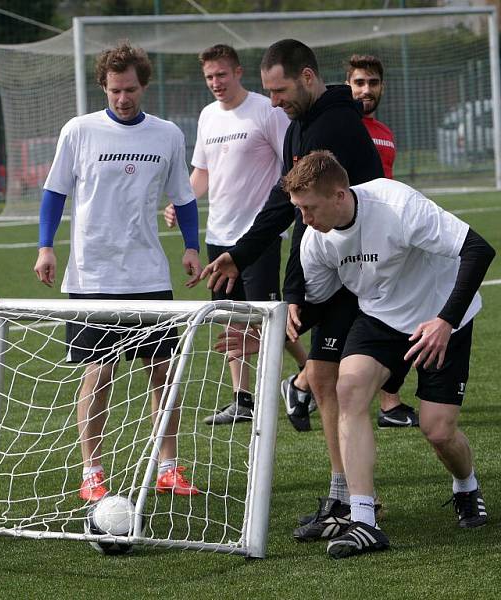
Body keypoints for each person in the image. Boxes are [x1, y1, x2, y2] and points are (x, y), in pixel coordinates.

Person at [199, 39, 385, 541]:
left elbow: (309, 218)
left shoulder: (337, 126)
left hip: (358, 278)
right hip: (326, 277)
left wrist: (293, 288)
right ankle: (342, 496)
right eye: (268, 93)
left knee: (346, 389)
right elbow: (287, 207)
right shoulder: (299, 128)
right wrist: (239, 255)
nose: (274, 101)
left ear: (306, 76)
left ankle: (361, 505)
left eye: (279, 90)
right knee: (324, 383)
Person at [285, 150, 493, 558]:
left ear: (340, 195)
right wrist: (276, 325)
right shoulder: (316, 240)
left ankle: (466, 485)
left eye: (309, 208)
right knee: (350, 390)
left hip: (441, 315)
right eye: (299, 209)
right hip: (380, 318)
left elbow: (478, 250)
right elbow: (321, 303)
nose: (304, 220)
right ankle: (364, 521)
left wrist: (445, 322)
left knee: (437, 430)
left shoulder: (396, 204)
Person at [33, 42, 202, 502]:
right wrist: (45, 247)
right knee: (98, 373)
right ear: (103, 88)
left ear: (143, 85)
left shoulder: (166, 134)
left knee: (163, 372)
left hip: (148, 274)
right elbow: (54, 194)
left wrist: (191, 247)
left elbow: (184, 197)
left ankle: (168, 466)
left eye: (129, 90)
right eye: (114, 91)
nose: (122, 98)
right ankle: (92, 471)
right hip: (92, 276)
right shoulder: (79, 130)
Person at [163, 43, 313, 429]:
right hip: (220, 234)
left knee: (266, 318)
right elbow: (201, 174)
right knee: (230, 319)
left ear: (238, 72)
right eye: (209, 77)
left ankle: (310, 375)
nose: (215, 83)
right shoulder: (208, 116)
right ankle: (242, 399)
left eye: (221, 75)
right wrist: (181, 201)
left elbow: (291, 163)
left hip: (257, 237)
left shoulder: (266, 110)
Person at [345, 54, 418, 429]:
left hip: (386, 236)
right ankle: (305, 383)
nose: (366, 90)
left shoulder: (385, 131)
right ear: (347, 85)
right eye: (359, 82)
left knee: (394, 311)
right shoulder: (343, 126)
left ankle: (391, 402)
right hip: (352, 241)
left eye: (372, 82)